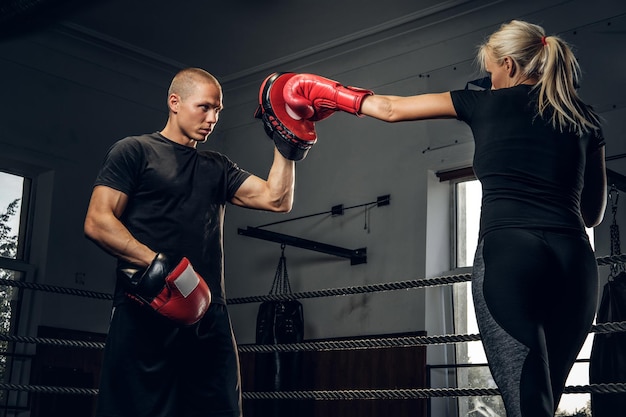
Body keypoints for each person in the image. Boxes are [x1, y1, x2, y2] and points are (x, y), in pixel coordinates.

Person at [280, 20, 608, 417]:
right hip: (575, 264)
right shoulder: (586, 118)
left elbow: (389, 108)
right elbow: (593, 214)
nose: (491, 81)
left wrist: (319, 90)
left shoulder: (482, 103)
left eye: (491, 73)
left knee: (528, 404)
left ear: (508, 64)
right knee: (544, 402)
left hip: (510, 257)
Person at [84, 67, 297, 417]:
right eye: (204, 107)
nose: (213, 118)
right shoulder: (134, 151)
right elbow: (98, 221)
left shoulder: (217, 167)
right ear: (175, 102)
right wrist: (162, 267)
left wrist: (287, 142)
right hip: (147, 309)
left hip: (207, 314)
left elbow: (277, 199)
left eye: (218, 110)